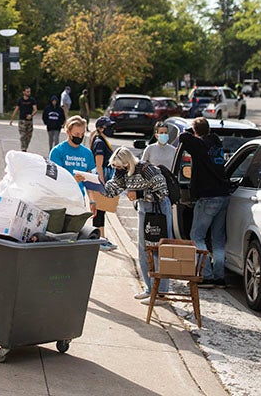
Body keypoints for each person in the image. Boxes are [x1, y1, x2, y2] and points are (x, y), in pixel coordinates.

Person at [97, 146, 171, 301]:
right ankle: (150, 288)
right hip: (144, 208)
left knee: (158, 250)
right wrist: (93, 184)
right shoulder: (122, 171)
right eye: (116, 167)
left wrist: (139, 194)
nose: (118, 170)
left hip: (159, 210)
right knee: (143, 249)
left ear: (128, 163)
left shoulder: (147, 169)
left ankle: (160, 292)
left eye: (120, 167)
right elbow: (113, 189)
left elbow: (163, 193)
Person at [177, 117, 231, 287]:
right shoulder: (217, 144)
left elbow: (183, 139)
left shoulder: (199, 145)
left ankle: (205, 275)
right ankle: (219, 277)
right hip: (223, 195)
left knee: (197, 236)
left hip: (208, 197)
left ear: (195, 131)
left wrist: (188, 131)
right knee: (218, 238)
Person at [87, 116, 117, 250]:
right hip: (102, 176)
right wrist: (102, 182)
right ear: (100, 128)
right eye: (107, 126)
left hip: (105, 175)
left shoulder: (103, 141)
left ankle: (102, 237)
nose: (111, 129)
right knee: (99, 210)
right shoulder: (99, 142)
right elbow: (98, 164)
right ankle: (98, 240)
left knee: (102, 210)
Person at [49, 115, 96, 185]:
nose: (80, 137)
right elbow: (54, 177)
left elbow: (92, 173)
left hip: (80, 194)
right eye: (77, 134)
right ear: (68, 132)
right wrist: (72, 180)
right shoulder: (57, 151)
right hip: (62, 194)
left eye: (82, 134)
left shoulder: (87, 153)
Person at [8, 87, 38, 152]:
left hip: (29, 121)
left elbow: (35, 110)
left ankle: (25, 147)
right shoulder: (20, 100)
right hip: (22, 120)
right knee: (23, 135)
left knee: (29, 136)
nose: (28, 93)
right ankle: (23, 148)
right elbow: (16, 109)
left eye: (29, 91)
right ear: (23, 92)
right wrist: (11, 119)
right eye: (27, 91)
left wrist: (31, 115)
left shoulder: (32, 100)